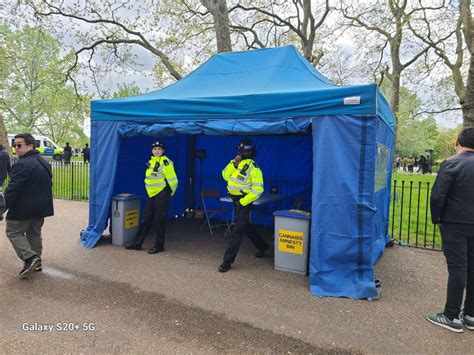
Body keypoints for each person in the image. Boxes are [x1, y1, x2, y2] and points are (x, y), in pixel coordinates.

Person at [427, 128, 474, 333]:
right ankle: (471, 314)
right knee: (472, 267)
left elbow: (438, 196)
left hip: (455, 223)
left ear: (458, 142)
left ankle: (451, 315)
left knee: (457, 268)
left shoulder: (452, 163)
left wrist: (437, 219)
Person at [4, 133, 54, 276]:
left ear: (30, 145)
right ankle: (36, 263)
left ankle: (30, 257)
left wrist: (2, 207)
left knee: (13, 231)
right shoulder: (44, 161)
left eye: (19, 145)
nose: (16, 148)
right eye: (14, 145)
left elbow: (12, 190)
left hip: (23, 209)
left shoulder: (22, 164)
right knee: (34, 234)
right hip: (41, 207)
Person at [218, 139, 269, 273]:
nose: (242, 153)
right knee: (246, 226)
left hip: (244, 201)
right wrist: (234, 164)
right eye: (241, 151)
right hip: (235, 200)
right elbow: (224, 176)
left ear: (251, 152)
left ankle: (227, 261)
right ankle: (262, 246)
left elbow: (258, 190)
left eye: (245, 151)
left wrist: (243, 201)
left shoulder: (254, 168)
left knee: (237, 230)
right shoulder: (234, 163)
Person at [125, 141, 178, 254]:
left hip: (162, 194)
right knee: (145, 218)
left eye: (159, 149)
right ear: (152, 151)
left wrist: (168, 192)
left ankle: (159, 245)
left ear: (163, 151)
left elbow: (173, 180)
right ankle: (137, 243)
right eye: (154, 149)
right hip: (151, 193)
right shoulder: (151, 161)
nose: (156, 151)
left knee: (159, 220)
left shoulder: (166, 162)